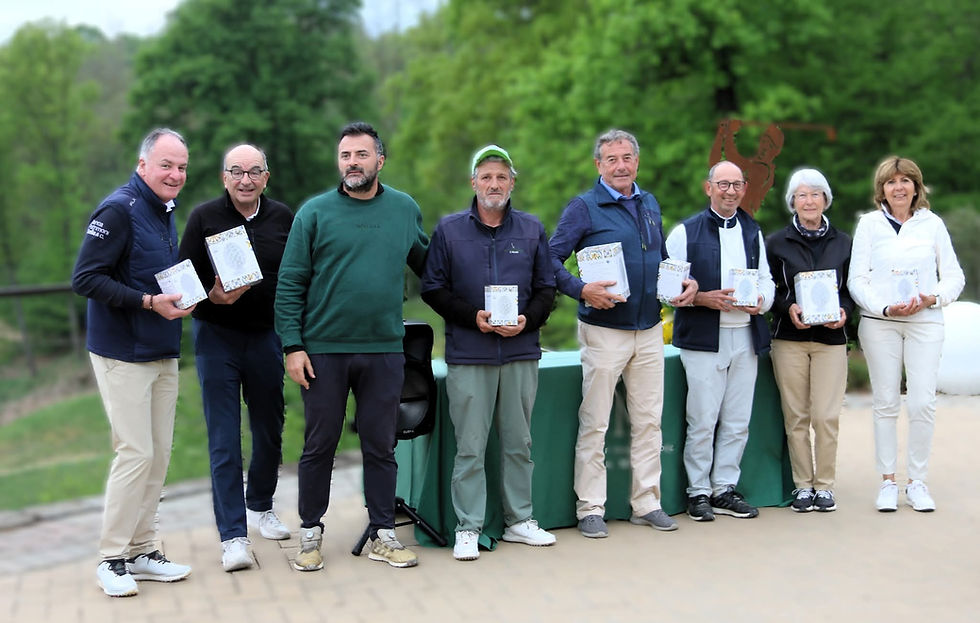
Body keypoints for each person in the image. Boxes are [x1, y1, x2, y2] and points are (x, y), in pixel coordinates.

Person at [275, 122, 429, 570]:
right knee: (319, 445)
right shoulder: (314, 212)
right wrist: (292, 346)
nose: (352, 163)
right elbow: (290, 283)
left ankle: (384, 533)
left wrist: (476, 301)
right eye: (345, 155)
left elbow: (432, 267)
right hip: (323, 350)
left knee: (380, 446)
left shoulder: (404, 209)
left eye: (361, 155)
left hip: (384, 349)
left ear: (380, 160)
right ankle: (310, 534)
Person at [549, 129, 697, 539]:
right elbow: (548, 258)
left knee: (650, 421)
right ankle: (590, 508)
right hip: (603, 331)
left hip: (649, 328)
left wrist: (683, 283)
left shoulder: (648, 202)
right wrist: (581, 289)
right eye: (611, 159)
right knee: (595, 422)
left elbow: (661, 257)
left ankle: (646, 502)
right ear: (598, 165)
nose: (620, 165)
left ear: (637, 161)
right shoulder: (583, 207)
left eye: (627, 157)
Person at [71, 128, 195, 597]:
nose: (175, 174)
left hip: (163, 346)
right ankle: (111, 558)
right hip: (122, 351)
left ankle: (143, 550)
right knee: (136, 452)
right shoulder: (117, 210)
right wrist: (147, 301)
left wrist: (182, 299)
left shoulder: (163, 211)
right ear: (143, 165)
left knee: (159, 453)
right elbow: (85, 278)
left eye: (182, 167)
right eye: (166, 165)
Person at [421, 145, 557, 561]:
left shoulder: (532, 229)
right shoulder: (448, 230)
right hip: (469, 353)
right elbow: (433, 288)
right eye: (486, 177)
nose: (494, 184)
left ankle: (519, 521)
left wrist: (527, 321)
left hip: (520, 352)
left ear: (512, 182)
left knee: (519, 443)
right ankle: (468, 527)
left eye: (501, 177)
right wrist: (471, 317)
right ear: (473, 183)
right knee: (470, 447)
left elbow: (546, 289)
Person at [178, 144, 294, 572]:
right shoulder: (204, 218)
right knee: (224, 438)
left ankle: (261, 504)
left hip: (265, 336)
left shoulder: (283, 217)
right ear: (224, 177)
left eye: (254, 171)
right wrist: (210, 295)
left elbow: (296, 274)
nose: (245, 179)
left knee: (270, 425)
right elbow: (180, 281)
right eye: (236, 171)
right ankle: (233, 537)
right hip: (216, 338)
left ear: (267, 176)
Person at [847, 156, 964, 512]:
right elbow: (856, 280)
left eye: (905, 181)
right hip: (880, 322)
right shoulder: (868, 225)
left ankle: (917, 482)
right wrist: (884, 308)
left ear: (916, 187)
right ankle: (887, 482)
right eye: (890, 182)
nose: (898, 187)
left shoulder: (932, 225)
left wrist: (934, 297)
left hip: (925, 321)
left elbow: (954, 277)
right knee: (884, 402)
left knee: (922, 402)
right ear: (881, 189)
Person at [665, 160, 775, 522]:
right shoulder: (685, 232)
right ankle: (698, 491)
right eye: (723, 184)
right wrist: (701, 298)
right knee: (702, 419)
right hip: (702, 339)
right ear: (708, 187)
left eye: (737, 184)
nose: (730, 191)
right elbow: (665, 289)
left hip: (745, 334)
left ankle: (724, 487)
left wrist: (763, 300)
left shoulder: (751, 230)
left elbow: (766, 279)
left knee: (738, 420)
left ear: (744, 188)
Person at [765, 168, 853, 513]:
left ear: (826, 199)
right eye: (801, 195)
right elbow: (767, 289)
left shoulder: (845, 242)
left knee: (826, 416)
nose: (809, 200)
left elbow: (850, 290)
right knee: (796, 415)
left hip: (832, 339)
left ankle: (825, 485)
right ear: (792, 202)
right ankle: (803, 485)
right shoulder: (775, 242)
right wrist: (789, 308)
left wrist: (844, 311)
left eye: (815, 194)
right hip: (789, 339)